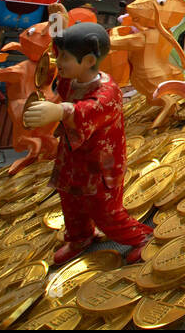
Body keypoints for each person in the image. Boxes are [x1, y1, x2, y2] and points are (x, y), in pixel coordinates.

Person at [22, 22, 152, 264]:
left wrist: (60, 110)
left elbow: (91, 110)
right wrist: (58, 26)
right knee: (70, 202)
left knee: (105, 212)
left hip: (100, 164)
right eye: (59, 56)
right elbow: (56, 68)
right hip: (72, 157)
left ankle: (142, 238)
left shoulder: (108, 90)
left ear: (90, 61)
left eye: (66, 58)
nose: (59, 62)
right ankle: (79, 237)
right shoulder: (71, 80)